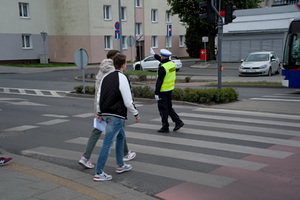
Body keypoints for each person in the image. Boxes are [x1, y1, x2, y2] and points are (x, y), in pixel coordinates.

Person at [79, 50, 136, 169]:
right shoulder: (114, 71)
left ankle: (85, 157)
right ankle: (122, 157)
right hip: (112, 107)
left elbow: (99, 91)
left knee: (98, 131)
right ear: (115, 58)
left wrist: (98, 110)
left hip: (100, 105)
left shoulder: (102, 69)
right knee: (118, 130)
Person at [94, 53, 140, 181]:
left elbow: (99, 96)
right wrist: (135, 113)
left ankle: (121, 165)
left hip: (106, 113)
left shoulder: (106, 77)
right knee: (107, 144)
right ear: (123, 65)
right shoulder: (122, 78)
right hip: (116, 115)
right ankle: (99, 172)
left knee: (121, 136)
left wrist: (99, 112)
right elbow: (127, 100)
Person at [153, 49, 184, 133]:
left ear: (163, 56)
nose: (161, 57)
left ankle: (165, 127)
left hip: (162, 91)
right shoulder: (171, 64)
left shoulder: (162, 68)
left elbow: (159, 81)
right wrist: (155, 55)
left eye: (161, 56)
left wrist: (156, 93)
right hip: (170, 90)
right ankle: (178, 121)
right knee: (169, 107)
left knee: (163, 109)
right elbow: (163, 60)